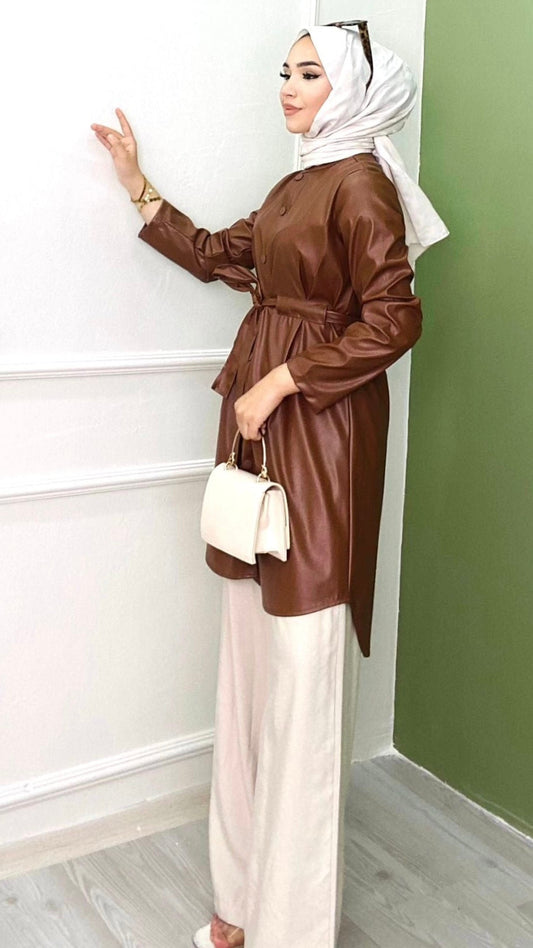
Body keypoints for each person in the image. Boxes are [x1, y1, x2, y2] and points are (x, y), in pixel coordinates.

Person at [91, 21, 448, 948]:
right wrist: (138, 184)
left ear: (350, 89)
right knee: (250, 672)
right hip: (262, 433)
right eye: (284, 70)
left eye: (308, 72)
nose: (287, 85)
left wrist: (285, 378)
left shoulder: (360, 183)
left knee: (301, 676)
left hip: (320, 438)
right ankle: (244, 900)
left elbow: (394, 319)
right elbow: (223, 254)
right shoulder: (299, 181)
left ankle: (293, 925)